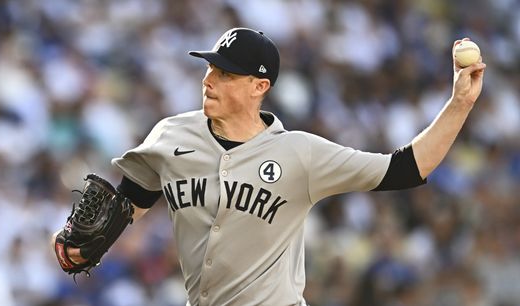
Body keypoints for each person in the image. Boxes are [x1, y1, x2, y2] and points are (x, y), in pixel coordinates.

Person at [56, 27, 485, 305]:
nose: (208, 79)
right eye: (209, 68)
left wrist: (459, 104)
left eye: (225, 74)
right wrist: (91, 241)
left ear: (259, 86)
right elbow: (132, 200)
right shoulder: (172, 136)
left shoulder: (300, 153)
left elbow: (405, 170)